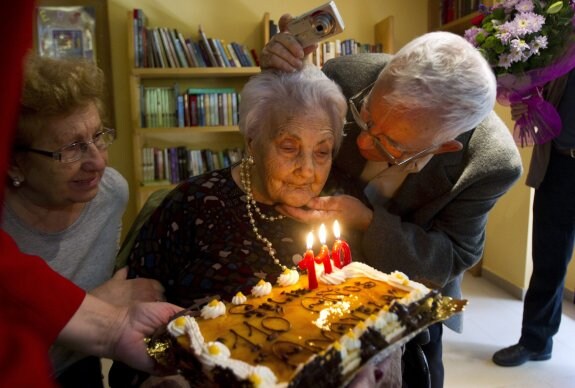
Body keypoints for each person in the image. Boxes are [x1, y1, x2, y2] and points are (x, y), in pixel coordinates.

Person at [261, 16, 523, 388]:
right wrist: (279, 77)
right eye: (365, 117)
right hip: (319, 275)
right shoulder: (346, 77)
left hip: (409, 291)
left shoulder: (490, 163)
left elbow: (453, 256)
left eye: (391, 145)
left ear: (444, 146)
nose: (364, 144)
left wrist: (369, 221)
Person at [111, 65, 393, 387]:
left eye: (322, 152)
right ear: (252, 142)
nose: (307, 169)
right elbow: (134, 333)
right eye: (289, 147)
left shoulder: (345, 206)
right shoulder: (191, 204)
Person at [0, 3, 182, 387]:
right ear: (14, 164)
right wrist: (103, 304)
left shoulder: (110, 193)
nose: (97, 162)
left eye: (98, 136)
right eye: (70, 149)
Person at [492, 70, 575, 367]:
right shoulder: (561, 51)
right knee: (548, 260)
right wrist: (524, 103)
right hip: (560, 168)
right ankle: (536, 342)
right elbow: (533, 101)